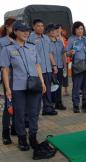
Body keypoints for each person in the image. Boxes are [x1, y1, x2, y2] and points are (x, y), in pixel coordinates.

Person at [0, 21, 46, 151]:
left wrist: (42, 82)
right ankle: (22, 138)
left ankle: (32, 136)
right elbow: (5, 70)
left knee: (34, 113)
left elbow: (37, 65)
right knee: (19, 114)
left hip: (34, 85)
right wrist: (8, 89)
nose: (26, 33)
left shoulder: (32, 47)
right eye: (22, 30)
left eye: (28, 30)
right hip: (18, 87)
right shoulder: (7, 49)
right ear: (15, 31)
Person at [28, 19, 58, 116]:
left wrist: (54, 65)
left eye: (42, 26)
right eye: (38, 26)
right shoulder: (30, 38)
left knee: (47, 89)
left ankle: (47, 108)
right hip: (37, 70)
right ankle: (34, 111)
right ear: (33, 27)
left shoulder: (46, 38)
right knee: (37, 91)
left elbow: (49, 53)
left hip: (48, 69)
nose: (40, 28)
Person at [66, 21, 86, 113]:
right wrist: (70, 53)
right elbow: (67, 53)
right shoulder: (71, 39)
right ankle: (76, 105)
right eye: (78, 28)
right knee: (76, 86)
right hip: (77, 65)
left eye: (81, 28)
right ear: (74, 29)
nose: (80, 30)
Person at [0, 17, 16, 145]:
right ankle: (6, 132)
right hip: (8, 78)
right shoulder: (2, 42)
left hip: (20, 77)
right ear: (7, 27)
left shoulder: (19, 40)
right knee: (8, 105)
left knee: (19, 104)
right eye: (13, 26)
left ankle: (15, 128)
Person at [46, 24, 67, 110]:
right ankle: (50, 104)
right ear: (47, 32)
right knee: (50, 86)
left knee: (59, 85)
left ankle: (59, 103)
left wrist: (65, 66)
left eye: (54, 30)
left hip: (60, 66)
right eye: (51, 30)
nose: (53, 31)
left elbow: (63, 54)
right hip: (50, 67)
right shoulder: (46, 42)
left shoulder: (59, 42)